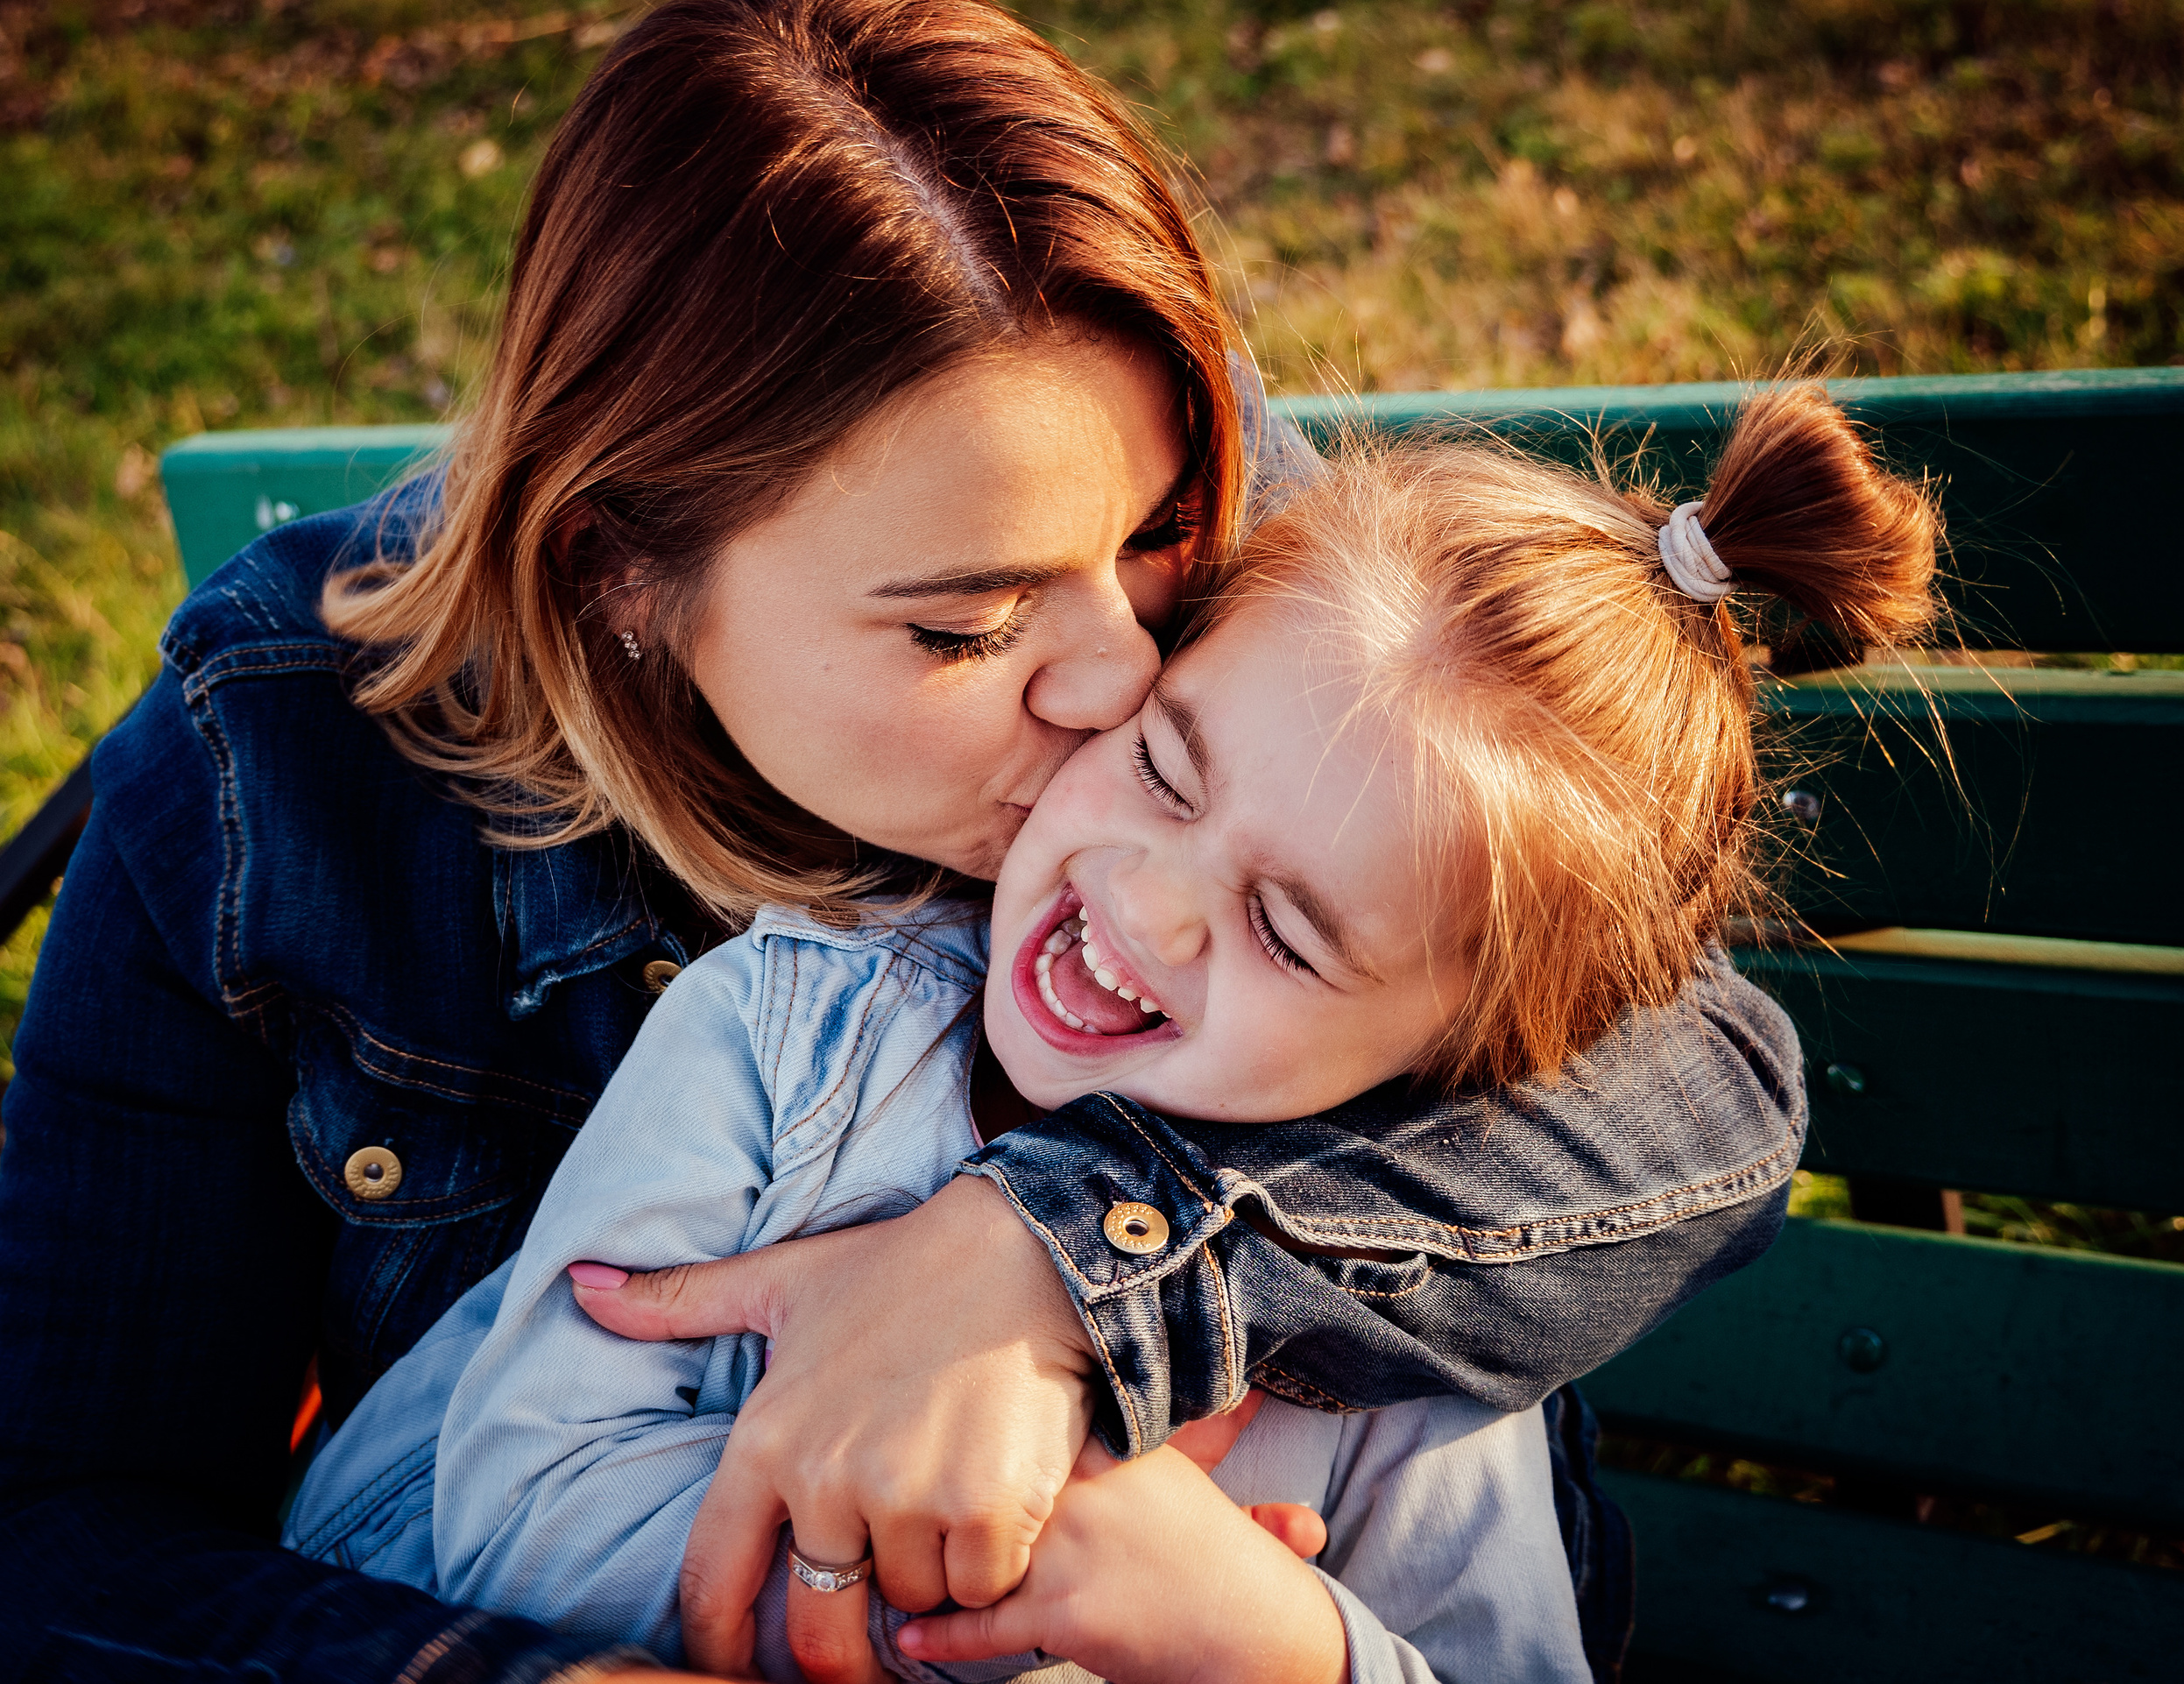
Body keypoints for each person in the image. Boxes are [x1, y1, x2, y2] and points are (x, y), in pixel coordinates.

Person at [0, 4, 1810, 1681]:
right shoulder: (277, 777)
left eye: (1157, 533)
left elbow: (1699, 1078)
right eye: (966, 627)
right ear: (617, 571)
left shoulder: (1249, 636)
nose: (1121, 674)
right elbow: (63, 1528)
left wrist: (1057, 1255)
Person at [282, 382, 1939, 1684]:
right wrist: (1010, 1580)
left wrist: (1275, 1644)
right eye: (1162, 763)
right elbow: (513, 1520)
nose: (1149, 902)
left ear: (1459, 1061)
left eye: (1288, 930)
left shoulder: (1408, 1356)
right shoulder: (783, 1037)